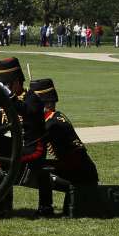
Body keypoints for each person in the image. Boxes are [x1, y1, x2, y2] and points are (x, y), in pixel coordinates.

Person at [30, 77, 98, 215]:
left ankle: (45, 208)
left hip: (80, 173)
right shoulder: (55, 117)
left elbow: (33, 145)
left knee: (41, 170)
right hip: (78, 168)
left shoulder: (52, 123)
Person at [0, 56, 51, 216]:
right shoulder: (8, 100)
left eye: (8, 84)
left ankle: (5, 206)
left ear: (17, 82)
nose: (7, 87)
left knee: (4, 164)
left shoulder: (32, 98)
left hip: (34, 148)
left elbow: (28, 111)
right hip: (19, 146)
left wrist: (9, 97)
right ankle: (0, 205)